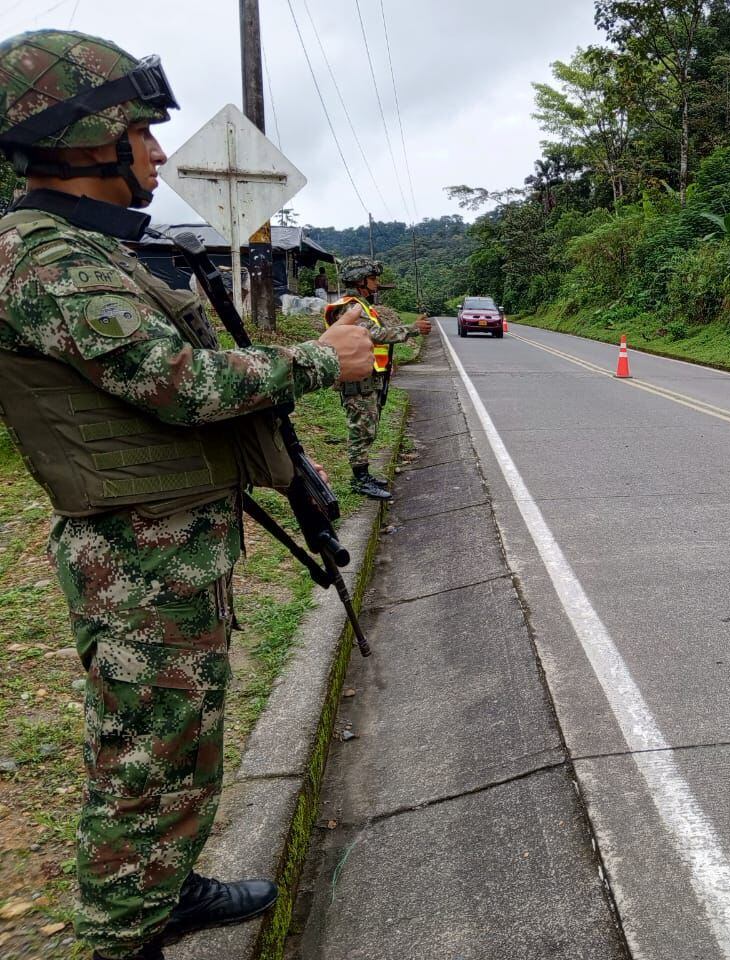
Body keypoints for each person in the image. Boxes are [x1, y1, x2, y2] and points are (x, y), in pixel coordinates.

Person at [0, 30, 375, 960]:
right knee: (145, 755)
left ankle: (165, 887)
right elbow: (175, 384)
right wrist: (320, 361)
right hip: (136, 560)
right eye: (142, 133)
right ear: (88, 139)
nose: (159, 154)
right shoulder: (44, 259)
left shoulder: (92, 249)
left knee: (179, 741)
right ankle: (127, 931)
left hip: (171, 544)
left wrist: (295, 469)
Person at [324, 255, 431, 500]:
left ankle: (364, 474)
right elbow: (375, 335)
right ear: (359, 280)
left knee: (368, 428)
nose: (376, 283)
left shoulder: (362, 306)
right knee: (361, 429)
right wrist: (412, 329)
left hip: (369, 377)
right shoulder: (351, 307)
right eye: (372, 278)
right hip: (356, 380)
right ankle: (359, 480)